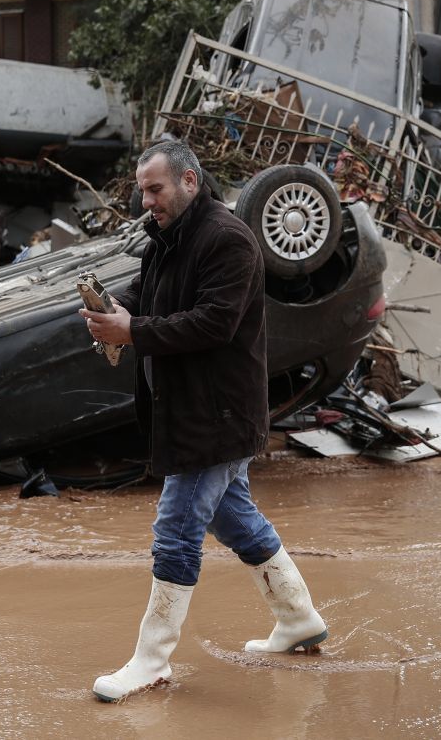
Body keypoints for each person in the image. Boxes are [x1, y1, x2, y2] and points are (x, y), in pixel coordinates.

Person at [80, 140, 327, 703]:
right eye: (142, 191)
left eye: (155, 189)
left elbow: (213, 323)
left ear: (190, 180)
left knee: (176, 528)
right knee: (232, 518)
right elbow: (146, 296)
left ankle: (151, 660)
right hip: (191, 408)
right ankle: (298, 618)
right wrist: (112, 310)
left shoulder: (229, 239)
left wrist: (133, 333)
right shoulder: (166, 239)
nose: (146, 201)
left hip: (217, 415)